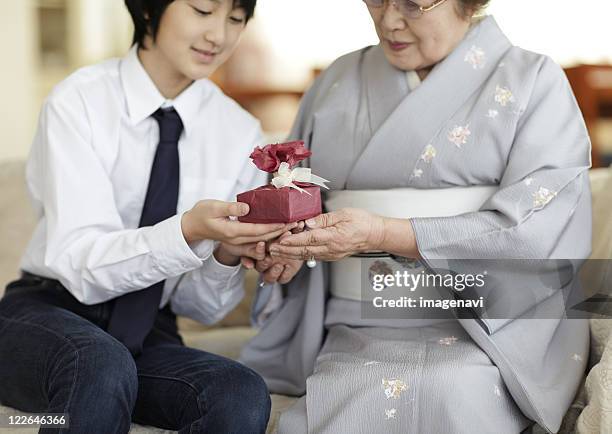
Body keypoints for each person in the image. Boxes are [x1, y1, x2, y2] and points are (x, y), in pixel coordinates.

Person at [241, 0, 592, 433]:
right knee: (354, 387)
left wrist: (384, 233)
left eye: (412, 4)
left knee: (453, 386)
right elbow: (298, 196)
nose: (389, 20)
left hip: (485, 333)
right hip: (356, 324)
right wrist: (292, 250)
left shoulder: (532, 79)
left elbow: (539, 226)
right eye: (376, 0)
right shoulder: (338, 80)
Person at [0, 0, 292, 432]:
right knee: (99, 363)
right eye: (201, 10)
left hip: (147, 328)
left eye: (235, 19)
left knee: (238, 392)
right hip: (45, 316)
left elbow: (199, 307)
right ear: (150, 10)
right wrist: (186, 231)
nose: (219, 35)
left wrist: (227, 253)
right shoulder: (78, 101)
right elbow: (80, 264)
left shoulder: (238, 132)